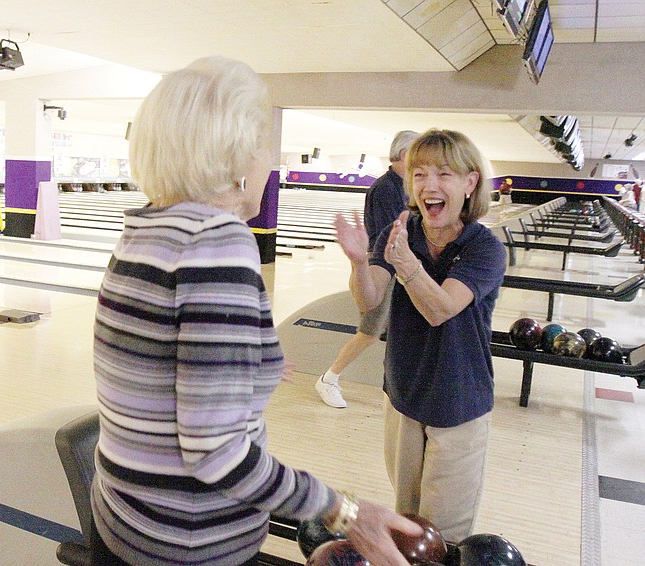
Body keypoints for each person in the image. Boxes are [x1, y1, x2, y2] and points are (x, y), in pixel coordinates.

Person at [90, 56, 422, 566]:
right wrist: (345, 512)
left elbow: (157, 365)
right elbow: (215, 455)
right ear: (240, 155)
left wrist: (249, 363)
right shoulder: (217, 244)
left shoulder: (145, 231)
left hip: (125, 519)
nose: (271, 157)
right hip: (189, 543)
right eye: (266, 141)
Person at [333, 129, 506, 542]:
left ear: (470, 183)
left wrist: (408, 265)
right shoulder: (401, 231)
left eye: (444, 173)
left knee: (441, 535)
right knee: (407, 523)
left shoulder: (484, 247)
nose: (430, 185)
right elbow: (369, 299)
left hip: (459, 403)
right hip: (404, 395)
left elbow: (441, 309)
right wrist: (359, 263)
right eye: (420, 173)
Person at [316, 130, 419, 408]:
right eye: (416, 153)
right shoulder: (386, 187)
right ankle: (328, 379)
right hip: (382, 265)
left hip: (399, 263)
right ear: (402, 154)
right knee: (370, 331)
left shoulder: (405, 184)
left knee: (398, 330)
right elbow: (389, 236)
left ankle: (395, 388)